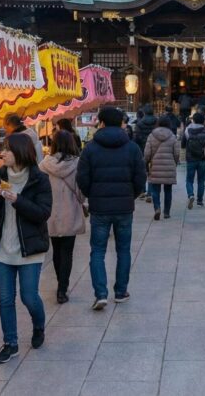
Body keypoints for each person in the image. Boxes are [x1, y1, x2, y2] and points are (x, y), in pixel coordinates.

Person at [0, 133, 53, 363]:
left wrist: (17, 200)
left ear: (21, 152)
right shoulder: (0, 175)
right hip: (3, 247)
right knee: (5, 299)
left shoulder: (39, 179)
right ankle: (10, 343)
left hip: (29, 248)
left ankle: (39, 325)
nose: (4, 153)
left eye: (8, 149)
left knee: (29, 296)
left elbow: (43, 213)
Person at [77, 107, 147, 310]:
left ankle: (100, 293)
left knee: (97, 250)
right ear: (121, 123)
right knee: (123, 249)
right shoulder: (132, 147)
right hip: (124, 207)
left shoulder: (90, 148)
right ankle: (120, 291)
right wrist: (130, 195)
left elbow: (82, 177)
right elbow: (140, 177)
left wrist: (92, 194)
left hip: (99, 207)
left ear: (102, 123)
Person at [39, 131, 86, 305]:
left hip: (50, 213)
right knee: (67, 251)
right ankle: (62, 288)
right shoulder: (77, 164)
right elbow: (81, 192)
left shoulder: (44, 164)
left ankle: (60, 283)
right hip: (70, 212)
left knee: (56, 251)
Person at [145, 116, 180, 220]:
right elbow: (177, 153)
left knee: (155, 190)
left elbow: (147, 153)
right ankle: (166, 212)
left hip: (155, 166)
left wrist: (146, 162)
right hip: (169, 166)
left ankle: (157, 208)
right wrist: (175, 162)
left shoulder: (151, 136)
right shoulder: (172, 136)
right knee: (168, 190)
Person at [184, 112, 205, 208]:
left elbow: (183, 143)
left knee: (189, 179)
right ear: (203, 121)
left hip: (191, 158)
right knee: (201, 180)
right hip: (202, 159)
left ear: (193, 120)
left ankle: (190, 194)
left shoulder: (188, 130)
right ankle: (200, 200)